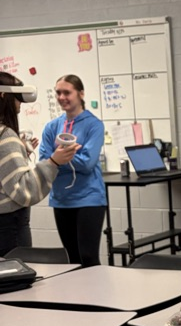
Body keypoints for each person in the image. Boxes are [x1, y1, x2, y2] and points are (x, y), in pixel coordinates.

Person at [0, 72, 79, 256]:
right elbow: (23, 189)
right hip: (8, 229)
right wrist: (53, 162)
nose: (20, 104)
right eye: (17, 97)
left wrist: (19, 155)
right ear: (3, 95)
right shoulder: (6, 136)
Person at [39, 74, 106, 267]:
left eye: (67, 92)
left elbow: (87, 163)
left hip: (88, 199)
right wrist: (65, 156)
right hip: (61, 199)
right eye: (58, 93)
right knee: (72, 260)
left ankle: (96, 289)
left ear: (81, 94)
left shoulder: (94, 125)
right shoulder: (52, 127)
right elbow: (45, 162)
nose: (62, 97)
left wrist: (58, 158)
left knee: (88, 257)